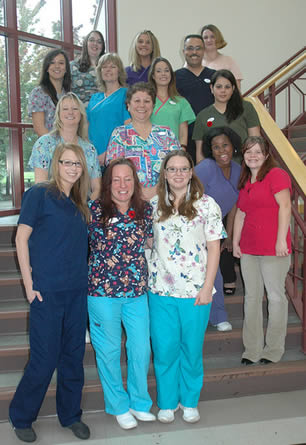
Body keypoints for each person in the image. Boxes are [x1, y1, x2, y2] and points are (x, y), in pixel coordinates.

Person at [9, 143, 91, 443]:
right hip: (46, 292)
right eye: (67, 162)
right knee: (44, 359)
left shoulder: (81, 202)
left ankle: (71, 415)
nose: (72, 168)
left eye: (77, 164)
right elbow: (21, 239)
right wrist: (29, 285)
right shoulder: (39, 195)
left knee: (73, 356)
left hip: (77, 292)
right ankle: (21, 416)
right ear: (56, 164)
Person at [148, 150, 226, 424]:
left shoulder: (207, 205)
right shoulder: (153, 205)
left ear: (191, 171)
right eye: (172, 169)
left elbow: (214, 249)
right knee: (165, 348)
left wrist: (207, 288)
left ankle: (190, 401)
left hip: (196, 291)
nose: (178, 174)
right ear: (165, 173)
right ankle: (168, 403)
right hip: (160, 291)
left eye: (183, 168)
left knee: (191, 349)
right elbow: (149, 243)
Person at [87, 158, 155, 430]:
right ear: (108, 183)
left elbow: (150, 244)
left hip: (137, 292)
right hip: (102, 292)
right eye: (116, 179)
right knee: (109, 350)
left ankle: (139, 402)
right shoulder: (93, 210)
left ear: (135, 182)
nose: (122, 185)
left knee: (140, 348)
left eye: (128, 179)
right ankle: (118, 405)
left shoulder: (145, 210)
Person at [233, 136, 292, 365]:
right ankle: (252, 350)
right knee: (251, 298)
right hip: (249, 248)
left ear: (266, 154)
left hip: (273, 248)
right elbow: (241, 213)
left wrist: (281, 241)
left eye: (257, 152)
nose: (253, 156)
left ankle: (273, 349)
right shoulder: (247, 179)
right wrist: (236, 243)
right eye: (248, 152)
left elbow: (285, 207)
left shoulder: (276, 175)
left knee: (276, 298)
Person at [195, 127, 242, 330]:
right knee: (205, 272)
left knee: (215, 272)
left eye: (225, 145)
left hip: (216, 229)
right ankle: (212, 317)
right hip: (195, 227)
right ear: (210, 150)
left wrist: (229, 236)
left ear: (233, 147)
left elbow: (234, 206)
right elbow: (189, 196)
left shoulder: (240, 170)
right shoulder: (206, 167)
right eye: (215, 147)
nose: (221, 150)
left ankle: (218, 316)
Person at [106, 82, 180, 201]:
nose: (142, 105)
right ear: (128, 105)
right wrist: (139, 192)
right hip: (130, 199)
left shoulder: (167, 134)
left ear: (153, 105)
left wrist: (156, 190)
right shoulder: (119, 135)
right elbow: (114, 172)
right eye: (137, 101)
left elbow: (178, 168)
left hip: (165, 199)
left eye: (147, 101)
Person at [29, 92, 101, 200]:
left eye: (75, 109)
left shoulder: (90, 149)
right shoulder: (44, 144)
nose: (70, 112)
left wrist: (88, 209)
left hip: (83, 208)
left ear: (81, 114)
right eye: (65, 109)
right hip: (52, 207)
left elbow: (97, 188)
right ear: (58, 114)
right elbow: (40, 186)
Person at [193, 69, 260, 163]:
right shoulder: (202, 116)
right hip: (214, 171)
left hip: (243, 168)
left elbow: (255, 141)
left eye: (227, 87)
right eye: (219, 87)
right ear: (211, 88)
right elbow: (200, 155)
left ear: (233, 88)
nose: (223, 91)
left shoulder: (246, 107)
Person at [175, 34, 215, 163]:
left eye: (198, 48)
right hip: (186, 138)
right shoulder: (175, 77)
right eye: (190, 48)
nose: (194, 52)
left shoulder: (214, 76)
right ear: (183, 51)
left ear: (204, 51)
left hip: (212, 136)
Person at [87, 53, 131, 167]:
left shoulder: (125, 94)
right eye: (104, 67)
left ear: (119, 71)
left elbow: (128, 128)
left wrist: (109, 153)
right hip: (92, 157)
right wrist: (90, 153)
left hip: (115, 157)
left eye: (113, 66)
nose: (108, 70)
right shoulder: (94, 98)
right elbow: (86, 127)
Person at [148, 56, 195, 147]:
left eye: (166, 70)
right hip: (150, 150)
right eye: (159, 71)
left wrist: (183, 149)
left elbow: (183, 132)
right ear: (153, 75)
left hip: (173, 151)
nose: (163, 74)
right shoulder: (147, 100)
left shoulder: (181, 102)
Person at [28, 49, 71, 137]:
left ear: (66, 68)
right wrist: (56, 148)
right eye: (52, 62)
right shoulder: (39, 93)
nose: (57, 66)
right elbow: (39, 128)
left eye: (61, 63)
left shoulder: (69, 95)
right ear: (47, 68)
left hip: (69, 146)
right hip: (48, 147)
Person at [201, 24, 243, 89]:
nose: (209, 40)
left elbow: (237, 90)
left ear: (218, 38)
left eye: (212, 37)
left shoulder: (229, 61)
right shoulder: (195, 63)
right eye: (205, 37)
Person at [70, 30, 105, 107]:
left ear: (102, 47)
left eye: (99, 42)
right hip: (78, 112)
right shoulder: (73, 66)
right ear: (86, 43)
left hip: (102, 110)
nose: (95, 44)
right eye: (91, 40)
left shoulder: (107, 68)